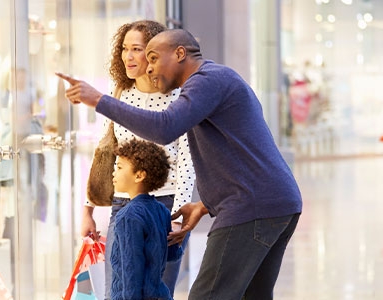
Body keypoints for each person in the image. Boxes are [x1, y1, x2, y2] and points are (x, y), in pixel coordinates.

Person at [58, 29, 302, 299]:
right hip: (275, 203)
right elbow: (240, 155)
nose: (148, 68)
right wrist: (205, 205)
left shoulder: (207, 80)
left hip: (251, 207)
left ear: (180, 53)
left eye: (153, 58)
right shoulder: (212, 82)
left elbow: (165, 128)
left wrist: (100, 100)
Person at [79, 20, 195, 298]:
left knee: (157, 290)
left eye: (137, 49)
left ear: (155, 53)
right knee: (116, 291)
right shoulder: (121, 94)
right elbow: (107, 151)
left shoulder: (181, 97)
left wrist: (178, 218)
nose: (128, 56)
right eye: (124, 49)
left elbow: (188, 161)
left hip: (165, 206)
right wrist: (88, 210)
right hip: (123, 203)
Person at [109, 139, 180, 300]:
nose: (114, 172)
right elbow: (173, 254)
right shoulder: (161, 210)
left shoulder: (127, 215)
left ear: (139, 175)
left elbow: (131, 268)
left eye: (119, 167)